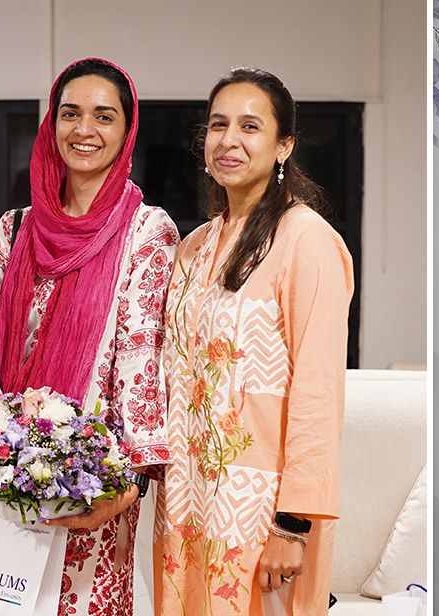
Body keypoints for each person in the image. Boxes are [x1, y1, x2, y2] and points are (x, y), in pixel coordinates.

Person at [0, 58, 175, 615]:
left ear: (127, 131)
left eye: (104, 116)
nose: (84, 129)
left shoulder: (148, 231)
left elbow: (141, 361)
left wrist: (122, 480)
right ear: (51, 125)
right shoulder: (14, 229)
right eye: (69, 113)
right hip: (6, 479)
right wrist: (4, 450)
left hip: (97, 487)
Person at [153, 67, 352, 616]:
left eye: (249, 126)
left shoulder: (306, 239)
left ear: (284, 145)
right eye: (218, 125)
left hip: (262, 510)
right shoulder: (194, 246)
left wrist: (293, 525)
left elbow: (318, 392)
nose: (229, 140)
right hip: (188, 498)